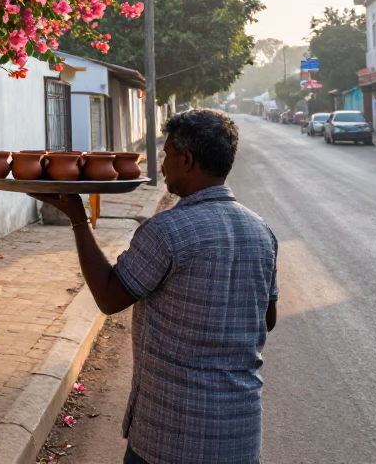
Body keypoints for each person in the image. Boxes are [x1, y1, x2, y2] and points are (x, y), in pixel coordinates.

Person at [34, 109, 278, 464]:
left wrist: (78, 219)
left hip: (169, 439)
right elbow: (266, 319)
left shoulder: (166, 231)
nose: (161, 165)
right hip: (239, 436)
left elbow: (109, 296)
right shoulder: (262, 231)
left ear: (187, 159)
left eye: (166, 154)